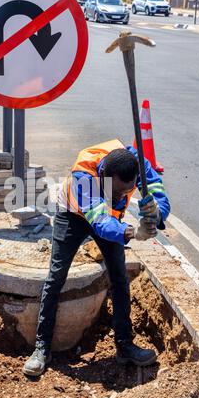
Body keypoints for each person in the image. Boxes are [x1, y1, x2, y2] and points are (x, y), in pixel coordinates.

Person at [23, 139, 170, 377]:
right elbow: (100, 222)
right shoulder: (85, 173)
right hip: (72, 215)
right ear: (103, 175)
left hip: (108, 218)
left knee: (120, 279)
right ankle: (42, 348)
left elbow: (156, 187)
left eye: (127, 191)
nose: (123, 197)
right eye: (117, 191)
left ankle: (124, 347)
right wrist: (131, 232)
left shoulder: (134, 163)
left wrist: (157, 211)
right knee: (56, 276)